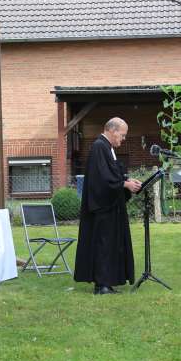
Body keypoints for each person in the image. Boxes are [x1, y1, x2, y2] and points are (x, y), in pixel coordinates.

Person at [73, 117, 142, 295]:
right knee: (103, 244)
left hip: (110, 207)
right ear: (112, 130)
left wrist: (126, 181)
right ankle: (102, 285)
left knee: (109, 244)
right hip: (102, 208)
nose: (124, 138)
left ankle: (107, 282)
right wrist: (124, 185)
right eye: (123, 134)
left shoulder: (106, 148)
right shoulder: (99, 146)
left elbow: (110, 173)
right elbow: (101, 178)